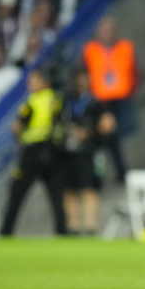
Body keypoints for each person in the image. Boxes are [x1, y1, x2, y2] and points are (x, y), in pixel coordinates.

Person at [1, 66, 66, 236]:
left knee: (17, 194)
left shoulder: (32, 102)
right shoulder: (57, 98)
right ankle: (63, 232)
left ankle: (6, 232)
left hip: (32, 153)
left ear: (44, 81)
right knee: (56, 195)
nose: (30, 83)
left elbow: (16, 127)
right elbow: (61, 123)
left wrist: (20, 139)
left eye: (33, 79)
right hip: (53, 152)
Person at [83, 15, 138, 182]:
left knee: (116, 136)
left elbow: (135, 71)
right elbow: (84, 74)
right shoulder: (90, 50)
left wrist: (132, 90)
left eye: (110, 30)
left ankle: (116, 172)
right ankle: (113, 173)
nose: (107, 33)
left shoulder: (125, 46)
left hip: (121, 99)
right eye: (104, 30)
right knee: (106, 138)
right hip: (101, 102)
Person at [62, 70, 115, 235]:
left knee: (89, 187)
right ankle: (73, 226)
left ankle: (90, 226)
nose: (82, 83)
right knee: (69, 188)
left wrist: (88, 132)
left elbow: (106, 124)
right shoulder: (67, 100)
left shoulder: (95, 101)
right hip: (68, 150)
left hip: (89, 150)